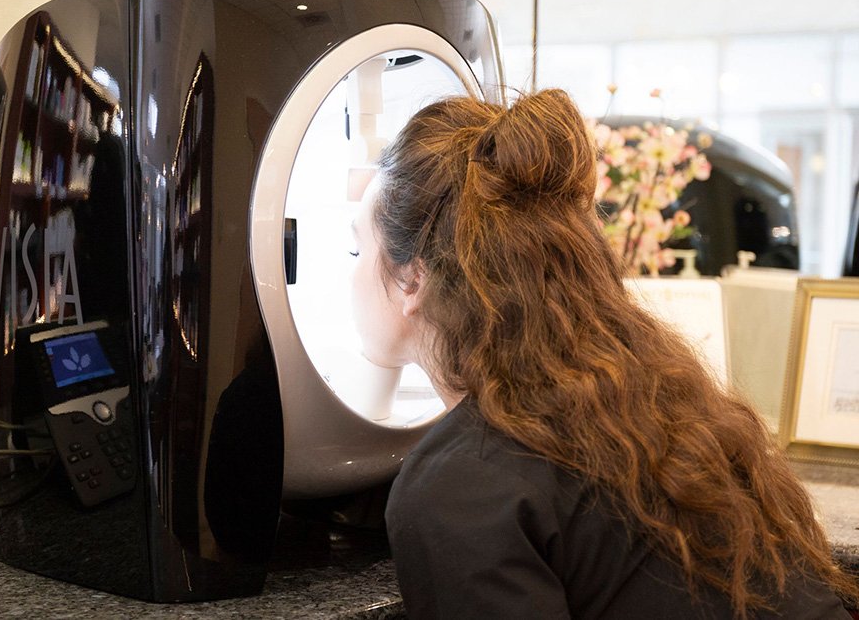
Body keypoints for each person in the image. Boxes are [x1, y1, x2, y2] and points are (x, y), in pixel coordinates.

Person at [348, 89, 858, 619]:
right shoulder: (656, 406)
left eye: (357, 249)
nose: (352, 271)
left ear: (412, 279)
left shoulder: (462, 485)